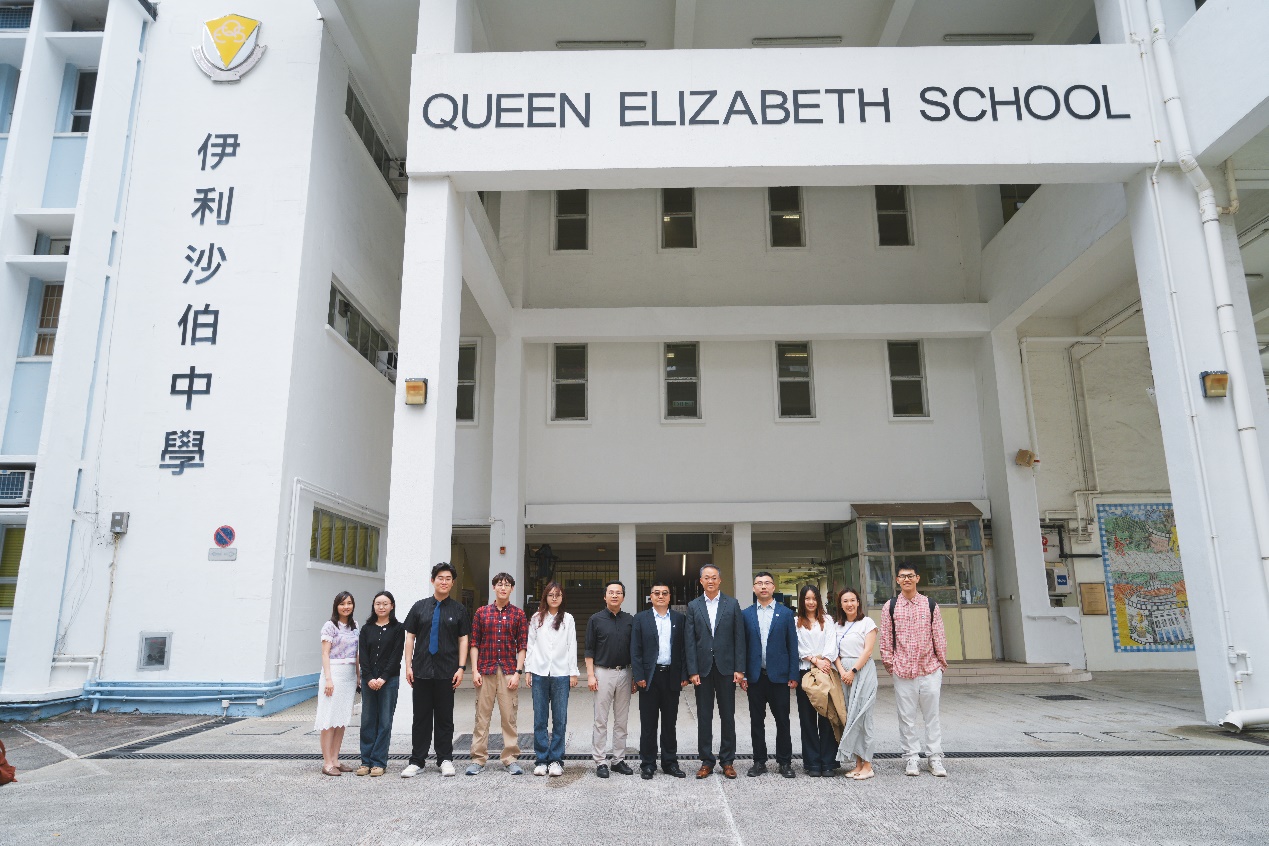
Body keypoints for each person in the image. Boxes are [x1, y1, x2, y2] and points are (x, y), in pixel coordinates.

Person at [400, 563, 471, 779]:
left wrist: (461, 667)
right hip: (421, 670)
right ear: (433, 580)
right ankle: (417, 761)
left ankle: (445, 759)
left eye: (448, 578)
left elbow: (463, 639)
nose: (444, 581)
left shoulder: (459, 610)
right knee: (420, 717)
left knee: (444, 718)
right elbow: (410, 637)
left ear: (452, 582)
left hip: (447, 671)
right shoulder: (419, 607)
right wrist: (408, 665)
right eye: (440, 578)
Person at [879, 564, 949, 777]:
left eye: (910, 576)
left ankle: (934, 757)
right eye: (903, 576)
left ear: (917, 578)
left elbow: (939, 635)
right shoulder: (890, 606)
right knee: (906, 717)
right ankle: (911, 757)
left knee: (932, 716)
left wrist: (940, 665)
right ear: (897, 580)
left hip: (929, 669)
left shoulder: (930, 604)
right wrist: (891, 665)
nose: (907, 579)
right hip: (902, 671)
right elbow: (886, 639)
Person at [684, 564, 746, 779]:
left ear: (720, 580)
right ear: (701, 581)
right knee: (704, 716)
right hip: (702, 670)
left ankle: (728, 761)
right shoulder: (693, 606)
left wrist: (740, 668)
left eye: (714, 577)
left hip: (727, 668)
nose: (710, 581)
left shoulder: (732, 604)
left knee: (727, 715)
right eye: (706, 578)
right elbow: (689, 641)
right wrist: (692, 670)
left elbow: (739, 637)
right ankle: (706, 761)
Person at [467, 572, 529, 776]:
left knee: (509, 717)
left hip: (509, 671)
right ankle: (478, 758)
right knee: (481, 718)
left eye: (507, 585)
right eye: (500, 584)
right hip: (485, 670)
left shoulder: (518, 614)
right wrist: (474, 670)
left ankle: (510, 758)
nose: (503, 588)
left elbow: (522, 646)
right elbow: (474, 643)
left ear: (512, 588)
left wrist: (518, 673)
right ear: (493, 587)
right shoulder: (482, 613)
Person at [740, 571, 799, 778]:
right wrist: (743, 674)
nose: (763, 586)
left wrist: (793, 674)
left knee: (782, 721)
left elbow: (792, 646)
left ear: (773, 587)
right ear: (754, 588)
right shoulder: (746, 614)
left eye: (767, 583)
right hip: (755, 677)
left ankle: (785, 762)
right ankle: (759, 762)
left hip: (779, 677)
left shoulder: (786, 614)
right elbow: (742, 647)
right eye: (759, 583)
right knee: (756, 721)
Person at [630, 580, 689, 779]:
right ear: (651, 597)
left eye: (664, 593)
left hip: (672, 677)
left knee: (669, 723)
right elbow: (635, 650)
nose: (661, 596)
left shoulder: (679, 619)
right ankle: (648, 764)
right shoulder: (641, 618)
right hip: (649, 678)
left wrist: (684, 675)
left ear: (670, 597)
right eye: (657, 593)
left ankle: (670, 762)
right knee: (648, 724)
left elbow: (683, 649)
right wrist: (639, 676)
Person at [525, 580, 579, 777]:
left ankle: (556, 759)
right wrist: (528, 670)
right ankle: (541, 759)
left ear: (562, 597)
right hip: (539, 672)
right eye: (551, 595)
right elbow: (530, 645)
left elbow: (572, 646)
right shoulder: (536, 618)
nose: (554, 598)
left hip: (561, 673)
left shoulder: (568, 619)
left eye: (558, 595)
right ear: (545, 597)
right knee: (540, 719)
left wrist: (573, 672)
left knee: (560, 719)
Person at [585, 580, 636, 778]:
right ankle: (600, 761)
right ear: (604, 596)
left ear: (623, 597)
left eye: (618, 592)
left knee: (621, 720)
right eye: (611, 592)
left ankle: (618, 760)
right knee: (601, 720)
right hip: (602, 673)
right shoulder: (595, 620)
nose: (615, 595)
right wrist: (590, 675)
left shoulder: (630, 620)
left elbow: (635, 650)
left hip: (625, 673)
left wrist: (634, 676)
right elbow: (589, 650)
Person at [357, 590, 404, 777]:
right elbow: (363, 655)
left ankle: (378, 762)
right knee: (367, 720)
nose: (381, 607)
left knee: (385, 721)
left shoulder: (398, 628)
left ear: (392, 606)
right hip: (369, 679)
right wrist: (369, 678)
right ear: (373, 606)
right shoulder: (366, 629)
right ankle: (365, 761)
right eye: (378, 603)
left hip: (389, 679)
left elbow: (396, 656)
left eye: (385, 604)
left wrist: (383, 678)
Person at [794, 584, 839, 777]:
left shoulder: (827, 620)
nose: (811, 602)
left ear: (818, 600)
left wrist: (825, 660)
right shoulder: (796, 621)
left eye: (814, 598)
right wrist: (814, 660)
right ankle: (812, 763)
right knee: (808, 719)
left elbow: (832, 642)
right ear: (802, 601)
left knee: (828, 716)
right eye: (807, 599)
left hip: (826, 671)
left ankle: (828, 762)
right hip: (805, 672)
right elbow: (797, 646)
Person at [834, 588, 879, 780]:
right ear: (840, 604)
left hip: (862, 671)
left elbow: (868, 651)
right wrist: (843, 671)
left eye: (852, 600)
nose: (849, 604)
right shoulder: (837, 626)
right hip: (843, 673)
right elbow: (834, 652)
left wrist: (852, 671)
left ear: (858, 602)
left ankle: (868, 765)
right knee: (851, 717)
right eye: (845, 601)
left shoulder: (867, 623)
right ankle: (858, 764)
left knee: (863, 716)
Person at [316, 591, 359, 777]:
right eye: (342, 604)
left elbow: (357, 653)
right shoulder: (330, 626)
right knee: (329, 719)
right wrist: (328, 679)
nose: (346, 607)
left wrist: (358, 676)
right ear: (336, 606)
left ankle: (335, 759)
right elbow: (325, 653)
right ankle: (327, 763)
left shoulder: (355, 626)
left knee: (341, 719)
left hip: (349, 676)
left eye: (349, 603)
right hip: (334, 675)